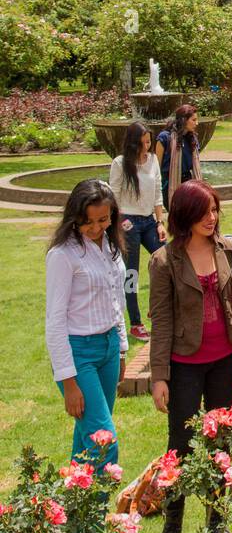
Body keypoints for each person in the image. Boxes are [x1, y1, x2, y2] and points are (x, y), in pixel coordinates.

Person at [148, 180, 232, 533]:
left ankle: (216, 523)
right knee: (181, 447)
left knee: (221, 444)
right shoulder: (163, 261)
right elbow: (162, 321)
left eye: (215, 210)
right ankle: (172, 530)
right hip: (184, 364)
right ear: (184, 215)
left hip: (225, 361)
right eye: (204, 211)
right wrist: (159, 376)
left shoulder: (229, 250)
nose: (212, 218)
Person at [45, 179, 128, 473]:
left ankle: (72, 515)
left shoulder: (109, 246)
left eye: (103, 220)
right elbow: (54, 322)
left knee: (85, 441)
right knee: (104, 442)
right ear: (74, 217)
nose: (95, 228)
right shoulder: (63, 256)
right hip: (79, 354)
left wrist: (121, 349)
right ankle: (95, 516)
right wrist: (68, 381)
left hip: (107, 349)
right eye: (87, 221)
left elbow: (116, 298)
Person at [109, 121, 166, 341]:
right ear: (133, 143)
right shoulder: (120, 163)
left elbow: (158, 193)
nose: (146, 147)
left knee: (167, 259)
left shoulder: (152, 160)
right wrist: (119, 221)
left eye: (148, 142)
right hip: (127, 220)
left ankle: (159, 309)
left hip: (149, 221)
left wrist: (160, 222)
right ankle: (135, 322)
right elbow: (113, 194)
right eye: (142, 143)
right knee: (131, 273)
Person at [154, 103, 201, 209]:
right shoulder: (164, 138)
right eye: (193, 120)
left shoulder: (192, 139)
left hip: (188, 183)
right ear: (184, 120)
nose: (196, 123)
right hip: (169, 183)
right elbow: (156, 167)